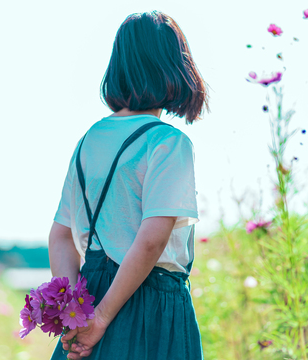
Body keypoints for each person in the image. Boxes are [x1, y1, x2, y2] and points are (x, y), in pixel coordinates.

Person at [48, 10, 208, 360]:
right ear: (174, 67)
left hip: (91, 296)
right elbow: (152, 239)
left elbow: (60, 235)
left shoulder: (89, 140)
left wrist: (77, 312)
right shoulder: (168, 143)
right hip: (148, 302)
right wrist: (102, 318)